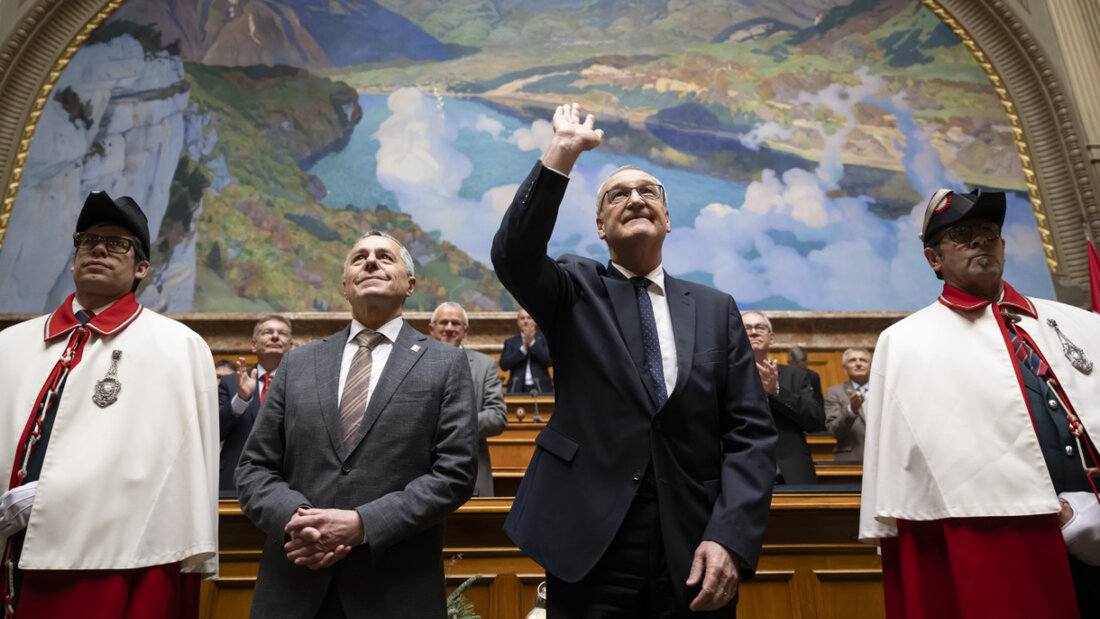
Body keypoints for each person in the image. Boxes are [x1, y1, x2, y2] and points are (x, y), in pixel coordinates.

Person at [492, 103, 777, 616]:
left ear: (667, 219)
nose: (636, 199)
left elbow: (750, 433)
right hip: (589, 539)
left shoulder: (716, 308)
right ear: (601, 227)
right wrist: (562, 151)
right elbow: (514, 254)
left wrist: (730, 536)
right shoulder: (574, 290)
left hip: (693, 540)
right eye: (617, 195)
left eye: (649, 192)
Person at [860, 188, 1100, 617]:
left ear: (1003, 246)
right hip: (1001, 538)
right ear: (934, 259)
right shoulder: (906, 344)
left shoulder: (1080, 324)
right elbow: (906, 469)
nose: (980, 240)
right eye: (962, 234)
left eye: (989, 232)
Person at [235, 231, 477, 618]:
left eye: (385, 257)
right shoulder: (298, 363)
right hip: (296, 581)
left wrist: (363, 524)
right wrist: (299, 521)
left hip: (394, 589)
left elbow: (456, 472)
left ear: (410, 284)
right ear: (345, 285)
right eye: (359, 257)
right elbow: (253, 467)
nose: (371, 261)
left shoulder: (445, 364)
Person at [0, 191, 218, 618]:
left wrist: (53, 495)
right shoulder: (10, 345)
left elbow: (171, 473)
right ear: (73, 260)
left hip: (109, 562)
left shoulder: (177, 348)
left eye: (117, 243)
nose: (98, 249)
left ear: (141, 268)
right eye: (88, 240)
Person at [428, 301, 508, 497]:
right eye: (443, 322)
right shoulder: (414, 363)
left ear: (466, 330)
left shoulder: (485, 365)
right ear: (431, 328)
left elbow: (497, 416)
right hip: (422, 473)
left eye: (456, 323)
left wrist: (452, 426)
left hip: (471, 472)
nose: (449, 328)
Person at [741, 311, 825, 485]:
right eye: (747, 328)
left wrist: (777, 392)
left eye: (760, 327)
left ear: (771, 338)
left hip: (790, 474)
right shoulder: (725, 376)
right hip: (742, 473)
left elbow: (815, 421)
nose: (754, 332)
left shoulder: (796, 376)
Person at [218, 315, 292, 495]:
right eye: (268, 332)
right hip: (234, 483)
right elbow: (214, 432)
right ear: (253, 344)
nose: (275, 336)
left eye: (282, 333)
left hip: (288, 485)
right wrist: (241, 399)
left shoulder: (302, 385)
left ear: (290, 346)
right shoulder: (230, 383)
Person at [823, 348, 870, 462]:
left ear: (871, 366)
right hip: (850, 459)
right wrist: (851, 411)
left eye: (863, 360)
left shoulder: (884, 391)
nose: (858, 363)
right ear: (844, 368)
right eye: (853, 360)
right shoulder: (834, 392)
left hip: (883, 459)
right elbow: (833, 430)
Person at [499, 308, 554, 393]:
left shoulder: (544, 339)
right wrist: (523, 349)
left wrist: (532, 343)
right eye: (522, 318)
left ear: (535, 321)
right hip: (517, 388)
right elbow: (503, 365)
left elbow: (549, 361)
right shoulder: (510, 342)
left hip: (541, 388)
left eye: (529, 318)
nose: (525, 321)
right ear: (518, 322)